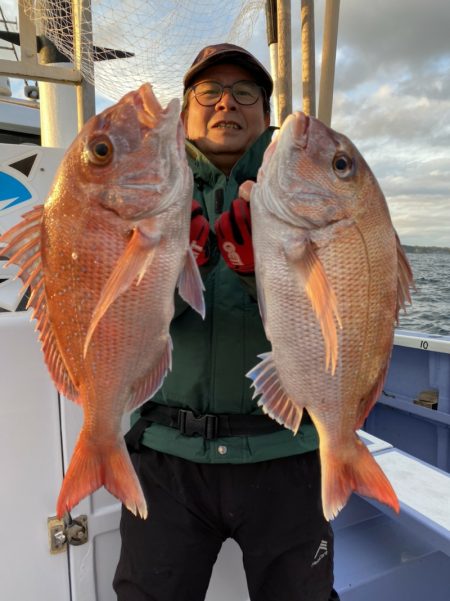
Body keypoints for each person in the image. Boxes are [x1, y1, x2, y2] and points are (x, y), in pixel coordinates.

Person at [113, 43, 340, 601]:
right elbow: (119, 316)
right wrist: (172, 267)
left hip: (286, 453)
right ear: (187, 109)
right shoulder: (147, 188)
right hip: (168, 452)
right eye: (208, 92)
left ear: (265, 113)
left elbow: (339, 319)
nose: (225, 104)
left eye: (244, 93)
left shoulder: (301, 187)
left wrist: (248, 273)